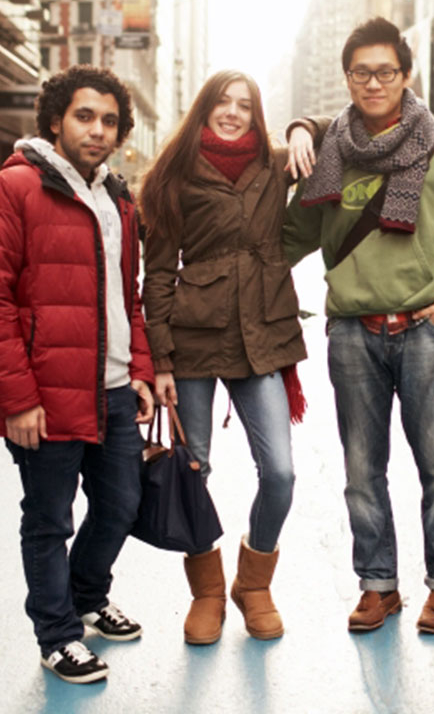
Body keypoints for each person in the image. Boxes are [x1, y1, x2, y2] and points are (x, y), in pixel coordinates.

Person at [284, 17, 434, 634]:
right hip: (353, 332)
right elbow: (287, 240)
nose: (373, 83)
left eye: (385, 71)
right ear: (347, 79)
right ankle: (378, 585)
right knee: (361, 470)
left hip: (425, 331)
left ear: (405, 75)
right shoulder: (328, 155)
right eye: (361, 72)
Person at [0, 65, 156, 683]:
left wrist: (141, 369)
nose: (98, 130)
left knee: (122, 505)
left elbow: (129, 298)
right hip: (44, 396)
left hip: (116, 389)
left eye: (109, 121)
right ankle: (58, 634)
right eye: (84, 116)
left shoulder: (118, 199)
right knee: (49, 520)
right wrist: (18, 399)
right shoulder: (11, 189)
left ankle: (87, 596)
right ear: (55, 120)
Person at [139, 70, 307, 644]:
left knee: (280, 473)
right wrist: (161, 361)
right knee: (195, 471)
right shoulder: (175, 174)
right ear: (205, 109)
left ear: (257, 113)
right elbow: (158, 274)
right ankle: (206, 592)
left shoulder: (276, 163)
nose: (233, 113)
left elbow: (338, 132)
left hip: (262, 333)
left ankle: (253, 584)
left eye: (245, 105)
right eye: (223, 103)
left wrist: (304, 127)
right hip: (193, 339)